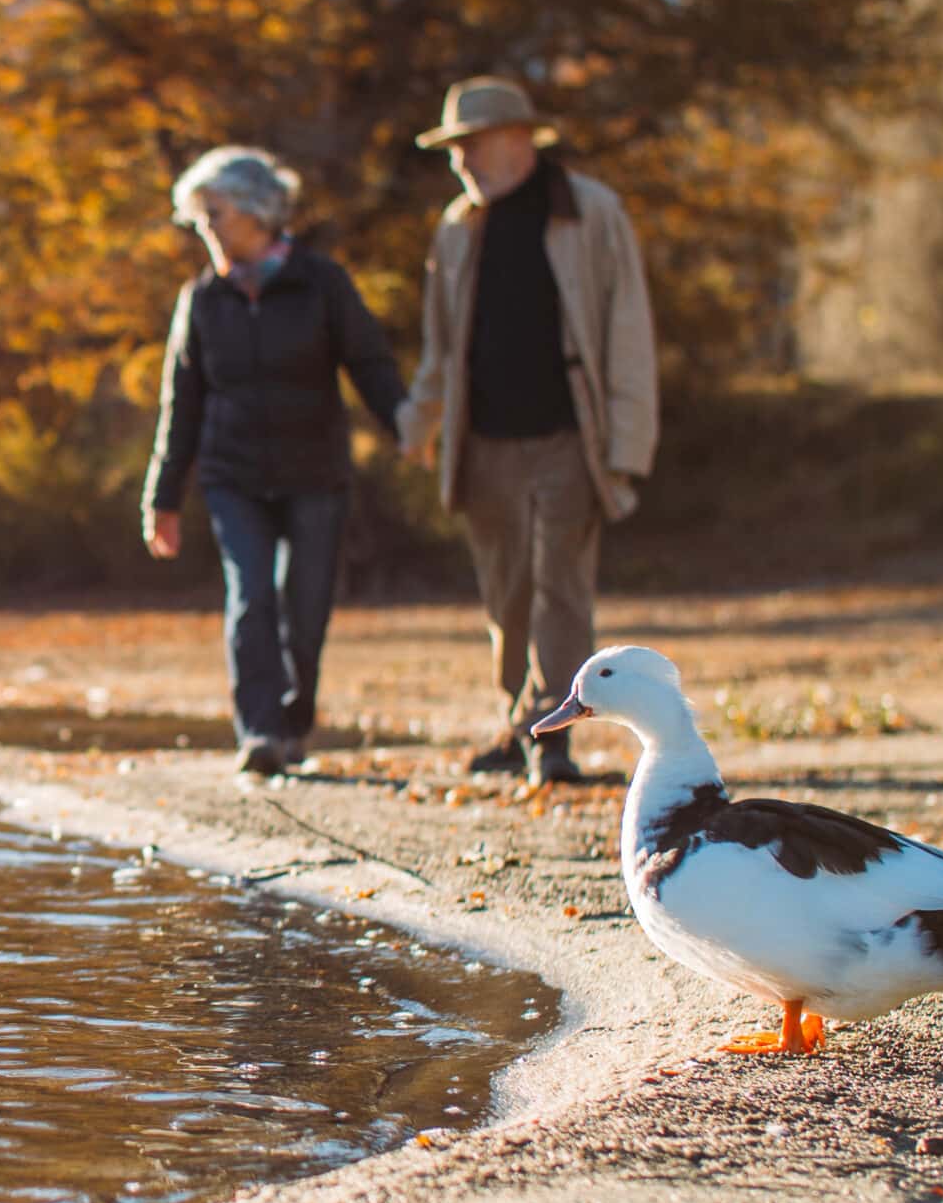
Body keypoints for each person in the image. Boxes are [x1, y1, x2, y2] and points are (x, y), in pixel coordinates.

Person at [398, 78, 659, 784]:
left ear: (518, 139)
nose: (460, 163)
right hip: (483, 439)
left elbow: (628, 330)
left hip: (569, 434)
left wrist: (628, 445)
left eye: (470, 146)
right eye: (453, 151)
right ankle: (520, 722)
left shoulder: (590, 212)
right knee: (505, 592)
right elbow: (439, 345)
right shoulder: (457, 227)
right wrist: (417, 423)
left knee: (562, 585)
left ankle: (554, 735)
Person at [143, 146, 407, 777]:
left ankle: (295, 723)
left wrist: (404, 425)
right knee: (250, 597)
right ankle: (259, 731)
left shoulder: (322, 282)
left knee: (306, 605)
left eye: (215, 214)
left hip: (316, 474)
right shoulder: (203, 300)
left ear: (258, 212)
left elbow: (368, 361)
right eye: (200, 218)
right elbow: (180, 401)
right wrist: (163, 497)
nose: (205, 229)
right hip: (232, 477)